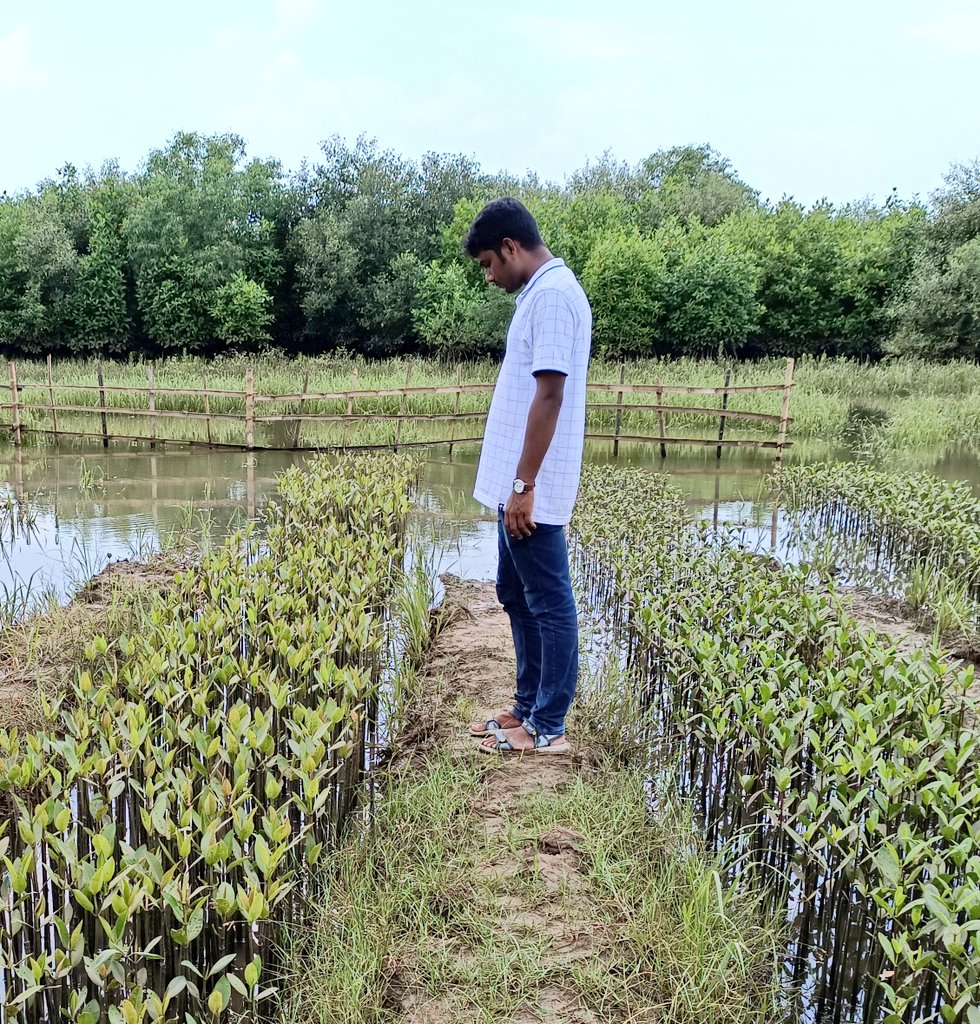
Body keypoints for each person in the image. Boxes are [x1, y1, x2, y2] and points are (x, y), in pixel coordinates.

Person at [464, 198, 592, 756]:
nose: (489, 276)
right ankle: (525, 705)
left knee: (549, 601)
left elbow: (551, 391)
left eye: (490, 264)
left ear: (512, 247)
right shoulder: (540, 294)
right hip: (512, 483)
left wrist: (523, 486)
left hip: (530, 487)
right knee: (514, 593)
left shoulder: (556, 297)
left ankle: (548, 726)